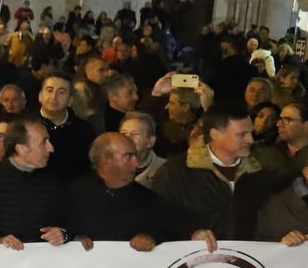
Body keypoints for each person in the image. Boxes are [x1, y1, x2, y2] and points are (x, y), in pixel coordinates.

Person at [62, 133, 216, 252]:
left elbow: (174, 226)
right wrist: (71, 238)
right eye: (128, 157)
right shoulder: (71, 195)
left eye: (135, 156)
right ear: (105, 160)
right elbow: (52, 231)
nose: (136, 163)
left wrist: (153, 237)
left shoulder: (147, 199)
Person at [148, 107, 267, 241]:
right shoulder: (174, 172)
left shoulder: (257, 171)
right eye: (242, 134)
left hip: (244, 258)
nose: (250, 140)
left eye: (251, 133)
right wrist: (191, 233)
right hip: (194, 257)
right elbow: (158, 218)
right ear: (215, 135)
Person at [0, 118, 70, 250]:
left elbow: (72, 220)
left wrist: (64, 233)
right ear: (21, 149)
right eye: (44, 142)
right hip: (2, 264)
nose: (51, 148)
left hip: (48, 262)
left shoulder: (56, 178)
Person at [37, 73, 95, 180]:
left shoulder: (84, 129)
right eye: (49, 90)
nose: (54, 96)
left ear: (70, 100)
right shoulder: (26, 126)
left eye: (61, 92)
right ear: (40, 96)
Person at [120, 111, 166, 187]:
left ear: (150, 141)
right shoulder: (108, 167)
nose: (127, 138)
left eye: (135, 134)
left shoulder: (166, 170)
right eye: (123, 133)